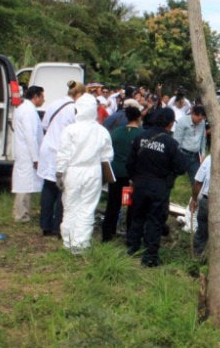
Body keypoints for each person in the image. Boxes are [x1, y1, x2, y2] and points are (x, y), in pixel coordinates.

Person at [126, 107, 186, 267]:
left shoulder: (140, 136)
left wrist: (135, 178)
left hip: (139, 183)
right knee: (154, 220)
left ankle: (132, 248)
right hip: (159, 187)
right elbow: (181, 167)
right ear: (170, 123)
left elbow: (129, 162)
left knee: (137, 216)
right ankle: (150, 257)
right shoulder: (171, 143)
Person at [55, 94, 113, 254]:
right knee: (87, 208)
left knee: (70, 206)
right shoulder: (101, 131)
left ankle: (68, 241)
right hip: (93, 172)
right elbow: (107, 156)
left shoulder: (70, 130)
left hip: (73, 171)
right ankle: (81, 244)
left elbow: (63, 154)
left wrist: (59, 173)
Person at [37, 80, 85, 237]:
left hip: (48, 148)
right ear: (78, 94)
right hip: (62, 151)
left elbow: (45, 125)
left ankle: (45, 225)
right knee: (62, 190)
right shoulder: (75, 109)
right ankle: (58, 227)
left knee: (48, 187)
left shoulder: (54, 104)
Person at [101, 106, 142, 242]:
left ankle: (107, 233)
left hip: (116, 172)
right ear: (138, 118)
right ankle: (130, 235)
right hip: (132, 175)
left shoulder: (116, 132)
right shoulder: (141, 134)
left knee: (113, 204)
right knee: (132, 205)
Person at [12, 85, 45, 223]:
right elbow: (30, 136)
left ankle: (23, 212)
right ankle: (21, 214)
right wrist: (36, 158)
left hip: (23, 151)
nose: (44, 99)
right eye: (42, 96)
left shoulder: (24, 109)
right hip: (27, 152)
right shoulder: (28, 112)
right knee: (25, 183)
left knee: (25, 182)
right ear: (36, 97)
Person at [173, 104, 207, 184]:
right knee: (172, 176)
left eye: (202, 118)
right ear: (192, 113)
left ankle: (196, 196)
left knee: (197, 181)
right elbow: (177, 140)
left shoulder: (202, 123)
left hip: (195, 156)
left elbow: (202, 139)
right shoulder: (182, 122)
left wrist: (203, 154)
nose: (200, 120)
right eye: (198, 117)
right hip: (183, 154)